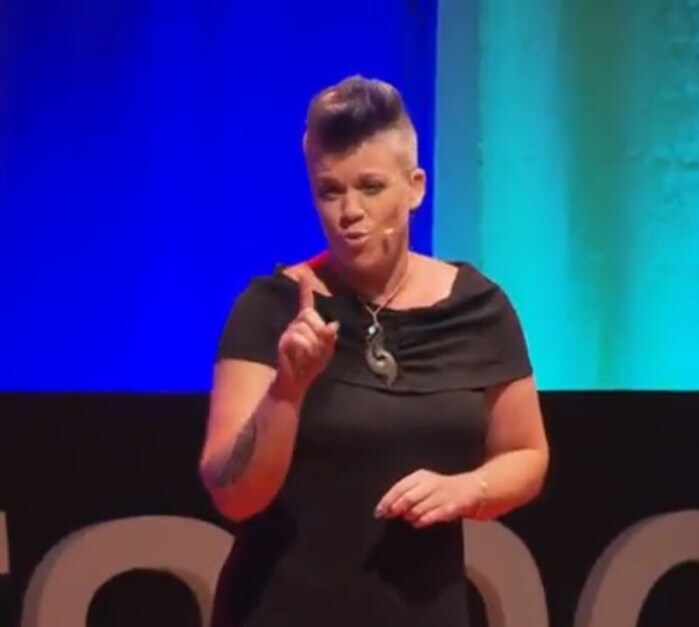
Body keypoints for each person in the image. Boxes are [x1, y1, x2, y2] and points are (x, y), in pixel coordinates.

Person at [198, 75, 550, 627]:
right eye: (329, 191)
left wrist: (468, 489)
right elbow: (232, 496)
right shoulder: (273, 309)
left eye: (370, 187)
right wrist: (287, 391)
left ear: (415, 187)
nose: (349, 212)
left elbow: (527, 455)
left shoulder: (478, 308)